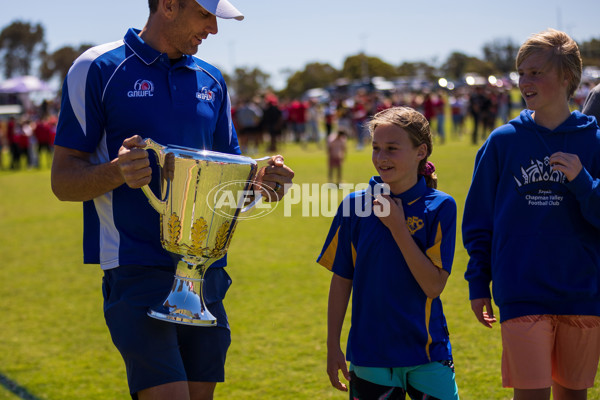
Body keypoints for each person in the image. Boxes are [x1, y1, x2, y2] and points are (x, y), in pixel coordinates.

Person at [50, 1, 295, 399]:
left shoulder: (212, 79)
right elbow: (62, 181)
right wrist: (117, 171)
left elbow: (228, 184)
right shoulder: (97, 68)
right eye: (205, 15)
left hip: (207, 273)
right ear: (167, 5)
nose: (214, 29)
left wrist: (263, 186)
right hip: (136, 269)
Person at [462, 29, 600, 400]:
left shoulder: (594, 141)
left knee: (573, 395)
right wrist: (479, 281)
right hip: (522, 290)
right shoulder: (503, 141)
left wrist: (582, 181)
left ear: (567, 77)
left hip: (582, 292)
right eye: (522, 73)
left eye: (536, 72)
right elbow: (479, 220)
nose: (525, 82)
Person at [318, 106, 459, 400]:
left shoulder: (441, 206)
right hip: (370, 354)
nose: (381, 157)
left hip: (427, 351)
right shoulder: (354, 206)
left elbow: (434, 285)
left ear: (421, 152)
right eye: (376, 148)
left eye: (392, 149)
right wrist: (333, 345)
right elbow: (341, 280)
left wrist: (398, 227)